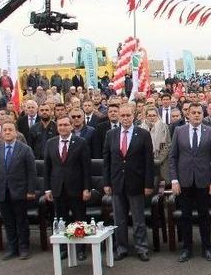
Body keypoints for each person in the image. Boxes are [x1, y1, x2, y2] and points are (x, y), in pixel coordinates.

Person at [103, 104, 156, 261]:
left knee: (138, 219)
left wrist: (148, 184)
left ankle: (141, 248)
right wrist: (106, 183)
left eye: (128, 115)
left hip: (137, 183)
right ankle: (122, 247)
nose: (125, 118)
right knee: (119, 218)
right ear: (118, 116)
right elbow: (107, 161)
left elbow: (149, 162)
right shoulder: (110, 134)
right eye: (123, 115)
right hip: (117, 183)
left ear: (134, 116)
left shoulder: (143, 134)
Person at [170, 104, 211, 262]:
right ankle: (187, 248)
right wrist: (174, 180)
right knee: (185, 217)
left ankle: (207, 247)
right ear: (188, 114)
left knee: (204, 216)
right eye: (194, 113)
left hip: (204, 181)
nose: (197, 115)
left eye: (199, 112)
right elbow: (173, 157)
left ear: (202, 114)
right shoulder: (179, 131)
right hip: (184, 182)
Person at [44, 116, 92, 260]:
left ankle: (81, 249)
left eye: (65, 125)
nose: (63, 127)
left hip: (76, 188)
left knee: (79, 219)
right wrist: (47, 189)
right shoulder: (50, 143)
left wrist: (86, 188)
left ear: (71, 126)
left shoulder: (80, 142)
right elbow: (47, 168)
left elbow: (86, 168)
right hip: (58, 188)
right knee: (61, 220)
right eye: (60, 125)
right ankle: (64, 248)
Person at [0, 122, 36, 260]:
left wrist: (31, 190)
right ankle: (12, 247)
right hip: (2, 191)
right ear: (1, 133)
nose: (7, 132)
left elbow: (31, 172)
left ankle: (24, 248)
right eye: (5, 130)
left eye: (10, 130)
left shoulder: (25, 149)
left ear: (16, 132)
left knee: (21, 221)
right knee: (8, 221)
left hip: (20, 191)